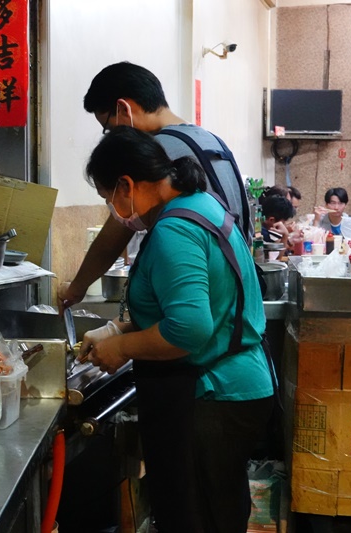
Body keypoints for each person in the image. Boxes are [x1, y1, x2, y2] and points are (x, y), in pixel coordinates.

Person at [78, 126, 274, 533]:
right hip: (234, 385)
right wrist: (118, 331)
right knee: (217, 512)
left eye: (108, 197)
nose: (113, 209)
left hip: (211, 393)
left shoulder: (174, 231)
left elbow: (189, 330)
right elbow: (203, 310)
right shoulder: (201, 204)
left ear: (127, 184)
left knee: (197, 519)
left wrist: (123, 348)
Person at [57, 61, 252, 311]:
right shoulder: (211, 140)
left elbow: (113, 238)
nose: (115, 139)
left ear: (123, 108)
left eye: (109, 128)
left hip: (207, 305)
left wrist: (77, 287)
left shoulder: (156, 153)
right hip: (237, 298)